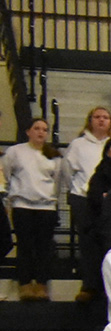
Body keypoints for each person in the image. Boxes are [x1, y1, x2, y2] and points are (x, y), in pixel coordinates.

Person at [4, 116, 61, 300]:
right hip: (22, 205)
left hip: (46, 207)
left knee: (44, 247)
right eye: (37, 128)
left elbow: (58, 181)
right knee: (25, 246)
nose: (41, 132)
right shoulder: (15, 151)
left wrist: (52, 199)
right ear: (28, 131)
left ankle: (42, 284)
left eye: (44, 129)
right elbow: (6, 174)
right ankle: (25, 283)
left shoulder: (54, 155)